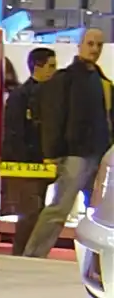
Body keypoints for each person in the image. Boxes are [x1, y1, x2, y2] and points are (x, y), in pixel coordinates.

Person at [25, 29, 112, 259]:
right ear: (80, 45)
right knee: (59, 209)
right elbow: (54, 116)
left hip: (98, 154)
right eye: (90, 44)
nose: (95, 49)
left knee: (95, 214)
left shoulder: (101, 81)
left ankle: (94, 259)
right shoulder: (66, 79)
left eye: (98, 45)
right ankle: (33, 255)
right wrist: (52, 153)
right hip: (76, 154)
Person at [5, 47, 58, 255]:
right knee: (29, 212)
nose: (54, 71)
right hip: (27, 165)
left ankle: (26, 252)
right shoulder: (21, 96)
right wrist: (23, 160)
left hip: (42, 163)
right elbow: (14, 131)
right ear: (37, 66)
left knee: (35, 210)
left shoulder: (50, 95)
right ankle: (21, 253)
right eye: (51, 66)